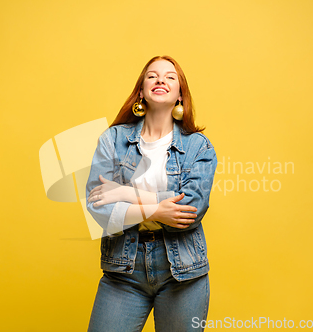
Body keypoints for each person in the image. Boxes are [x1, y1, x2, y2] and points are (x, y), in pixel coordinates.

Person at [85, 55, 217, 332]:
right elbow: (98, 208)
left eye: (170, 76)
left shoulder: (198, 147)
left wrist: (124, 192)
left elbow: (189, 211)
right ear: (141, 91)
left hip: (182, 272)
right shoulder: (112, 140)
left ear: (181, 94)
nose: (160, 79)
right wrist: (156, 211)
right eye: (152, 75)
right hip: (123, 268)